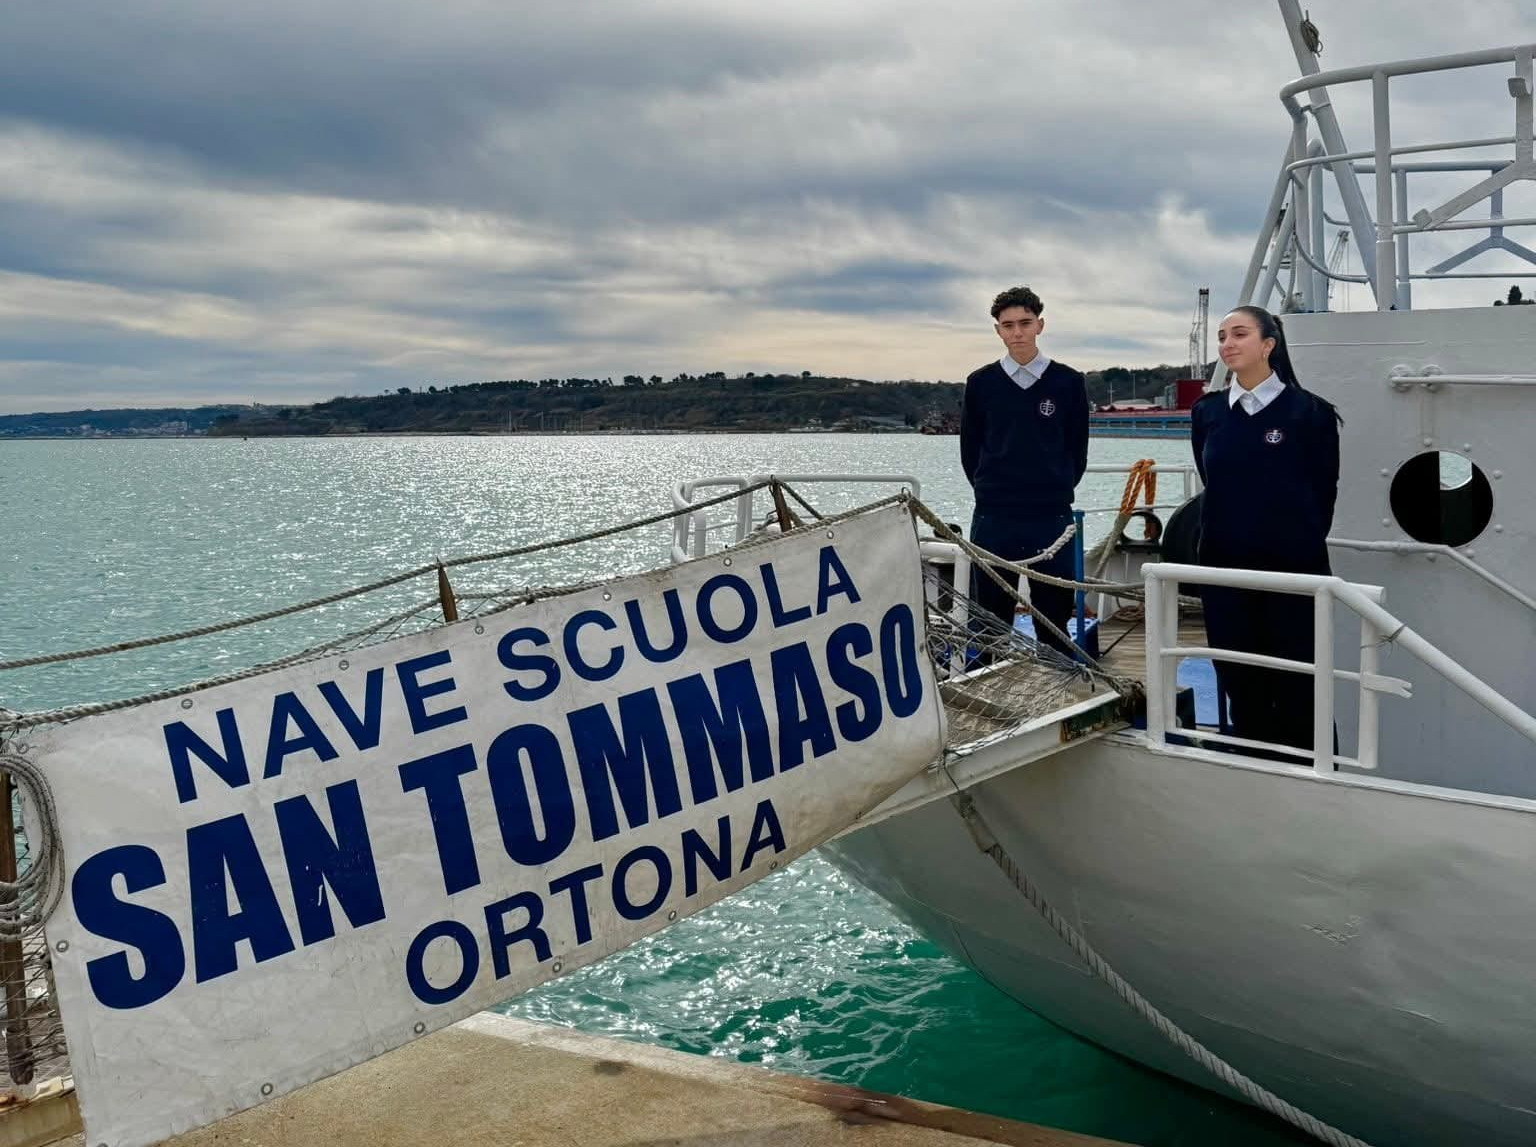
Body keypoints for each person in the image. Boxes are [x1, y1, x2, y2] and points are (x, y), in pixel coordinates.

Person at [1191, 304, 1341, 757]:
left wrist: (1290, 544)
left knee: (1301, 684)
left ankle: (1315, 776)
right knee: (1241, 683)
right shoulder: (1208, 412)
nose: (1227, 344)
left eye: (1239, 334)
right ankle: (1254, 771)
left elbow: (1323, 494)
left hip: (1291, 575)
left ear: (1268, 344)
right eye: (1222, 336)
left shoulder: (1310, 413)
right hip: (1225, 574)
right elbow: (1213, 481)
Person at [960, 286, 1090, 658]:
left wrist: (1055, 485)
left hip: (1051, 516)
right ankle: (990, 683)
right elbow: (970, 450)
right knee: (990, 618)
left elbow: (1077, 449)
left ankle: (1057, 681)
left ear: (1040, 325)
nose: (1017, 332)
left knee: (1054, 616)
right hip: (994, 515)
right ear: (998, 331)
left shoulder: (1068, 382)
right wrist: (989, 488)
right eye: (1008, 325)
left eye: (1025, 323)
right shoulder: (981, 384)